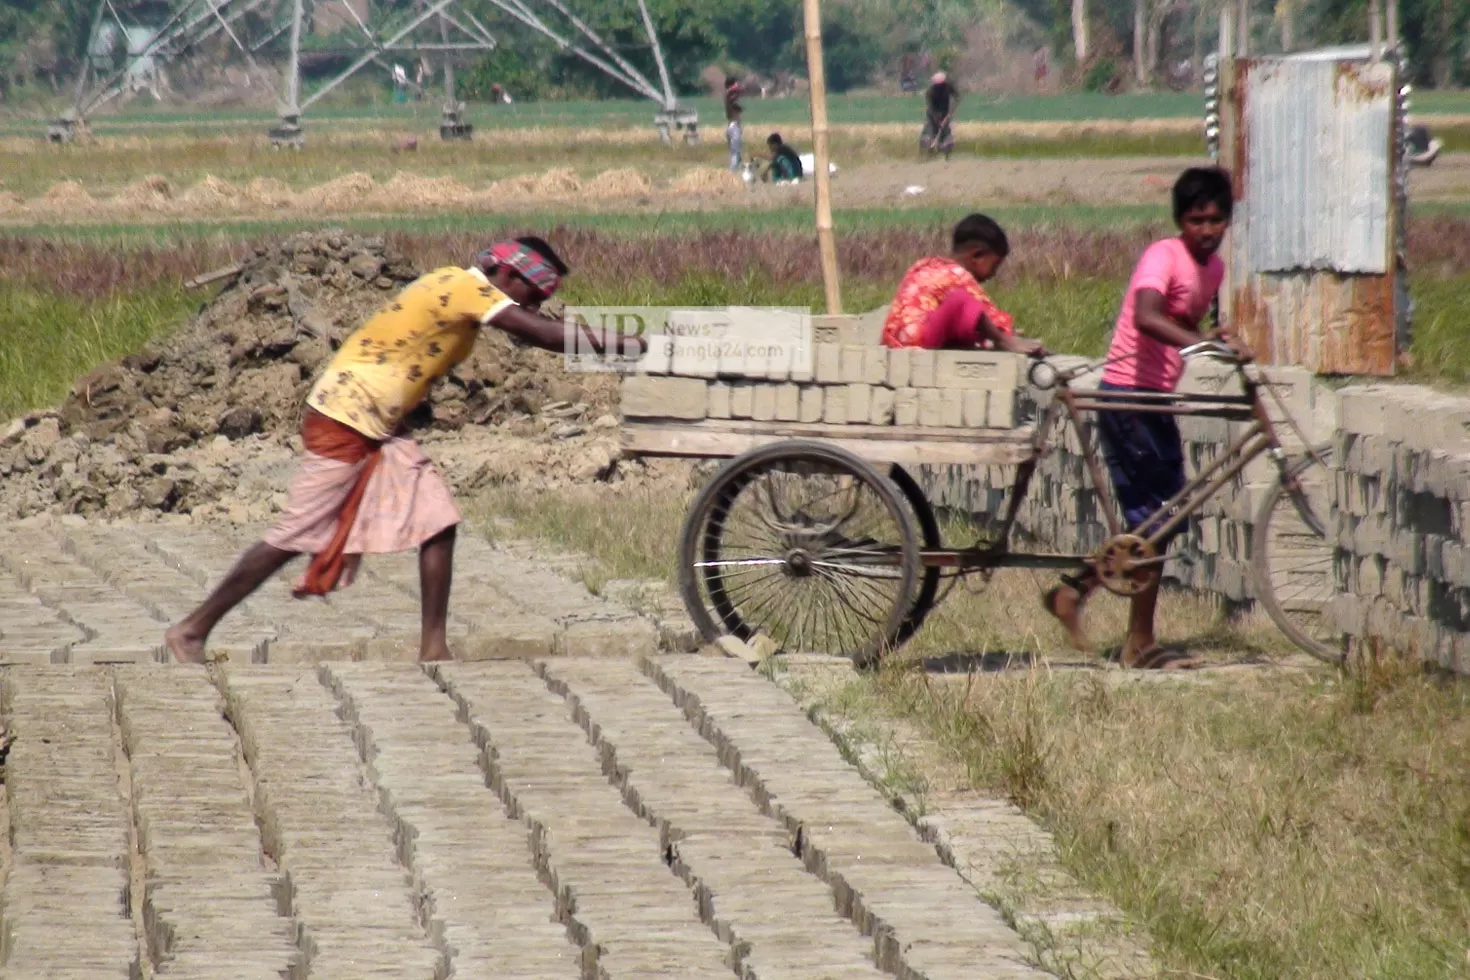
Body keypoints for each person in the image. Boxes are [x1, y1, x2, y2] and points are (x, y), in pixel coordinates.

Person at [164, 238, 641, 665]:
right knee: (292, 536)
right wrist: (641, 343)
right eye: (534, 297)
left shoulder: (454, 287)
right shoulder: (467, 288)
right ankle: (191, 629)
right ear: (510, 276)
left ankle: (433, 647)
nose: (534, 308)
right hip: (347, 417)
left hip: (379, 424)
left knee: (437, 521)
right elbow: (546, 337)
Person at [1044, 167, 1236, 670]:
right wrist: (1201, 343)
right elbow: (1148, 316)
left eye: (1216, 220)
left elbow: (1184, 320)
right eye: (1197, 220)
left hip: (1156, 396)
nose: (1207, 229)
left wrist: (1218, 335)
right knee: (1157, 520)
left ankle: (1079, 594)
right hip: (1128, 395)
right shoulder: (1163, 256)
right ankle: (1138, 641)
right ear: (1180, 220)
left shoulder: (1212, 269)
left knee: (1160, 519)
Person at [882, 213, 1046, 356]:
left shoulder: (925, 265)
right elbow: (985, 313)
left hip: (898, 338)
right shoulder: (959, 276)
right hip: (918, 340)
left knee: (965, 321)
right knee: (961, 300)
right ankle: (1003, 342)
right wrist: (1005, 336)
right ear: (977, 256)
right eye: (994, 266)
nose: (994, 274)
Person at [921, 71, 959, 159]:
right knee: (930, 130)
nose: (940, 86)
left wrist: (950, 112)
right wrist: (937, 120)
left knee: (945, 131)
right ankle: (927, 149)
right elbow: (930, 108)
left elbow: (956, 97)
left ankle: (945, 149)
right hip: (933, 113)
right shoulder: (931, 92)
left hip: (945, 112)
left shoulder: (948, 87)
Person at [724, 75, 744, 172]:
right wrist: (739, 108)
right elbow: (733, 98)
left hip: (731, 126)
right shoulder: (730, 95)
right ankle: (731, 175)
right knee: (735, 155)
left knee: (737, 155)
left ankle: (737, 174)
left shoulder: (728, 95)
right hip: (734, 126)